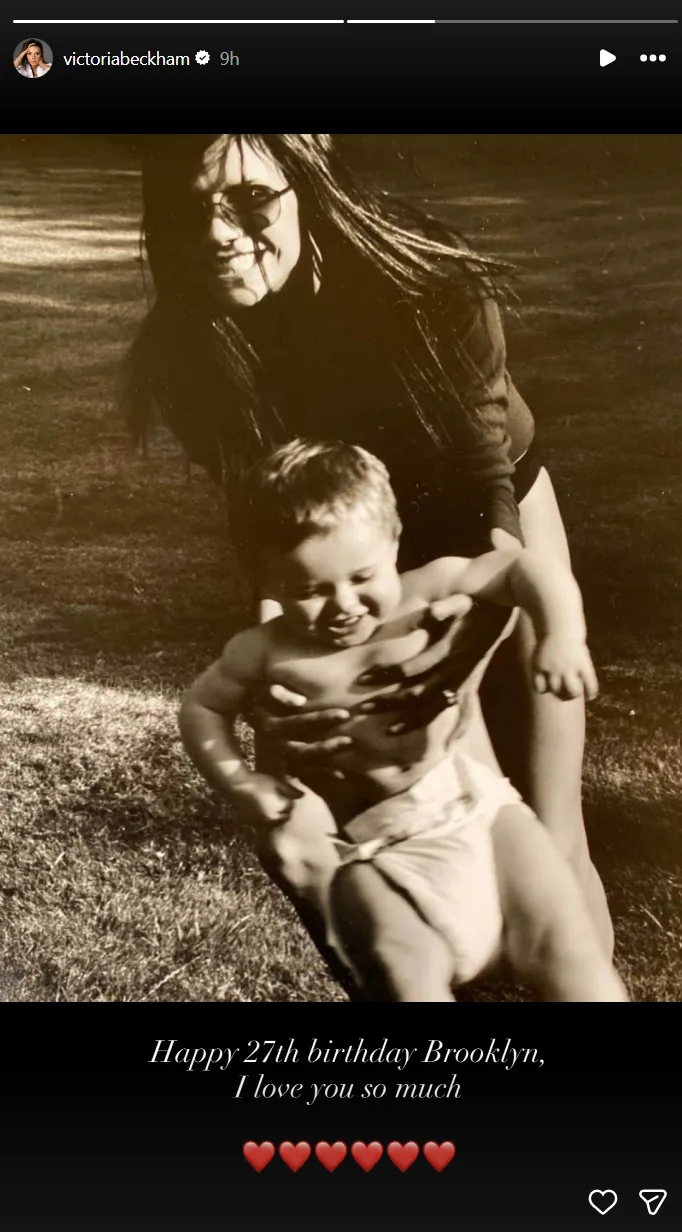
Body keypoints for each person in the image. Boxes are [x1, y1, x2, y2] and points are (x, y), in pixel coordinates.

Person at [122, 133, 612, 954]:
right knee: (335, 853)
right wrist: (289, 676)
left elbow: (478, 488)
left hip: (484, 534)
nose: (215, 233)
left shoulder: (425, 282)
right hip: (337, 557)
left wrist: (447, 663)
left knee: (534, 828)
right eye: (187, 209)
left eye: (249, 199)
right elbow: (270, 532)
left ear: (306, 182)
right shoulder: (184, 353)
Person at [179, 440, 626, 1003]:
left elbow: (520, 566)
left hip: (476, 808)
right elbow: (202, 708)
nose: (344, 605)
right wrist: (238, 781)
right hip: (376, 847)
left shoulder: (424, 592)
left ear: (393, 541)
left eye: (363, 577)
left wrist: (563, 634)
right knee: (405, 972)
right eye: (308, 591)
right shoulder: (264, 652)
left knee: (565, 948)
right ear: (265, 580)